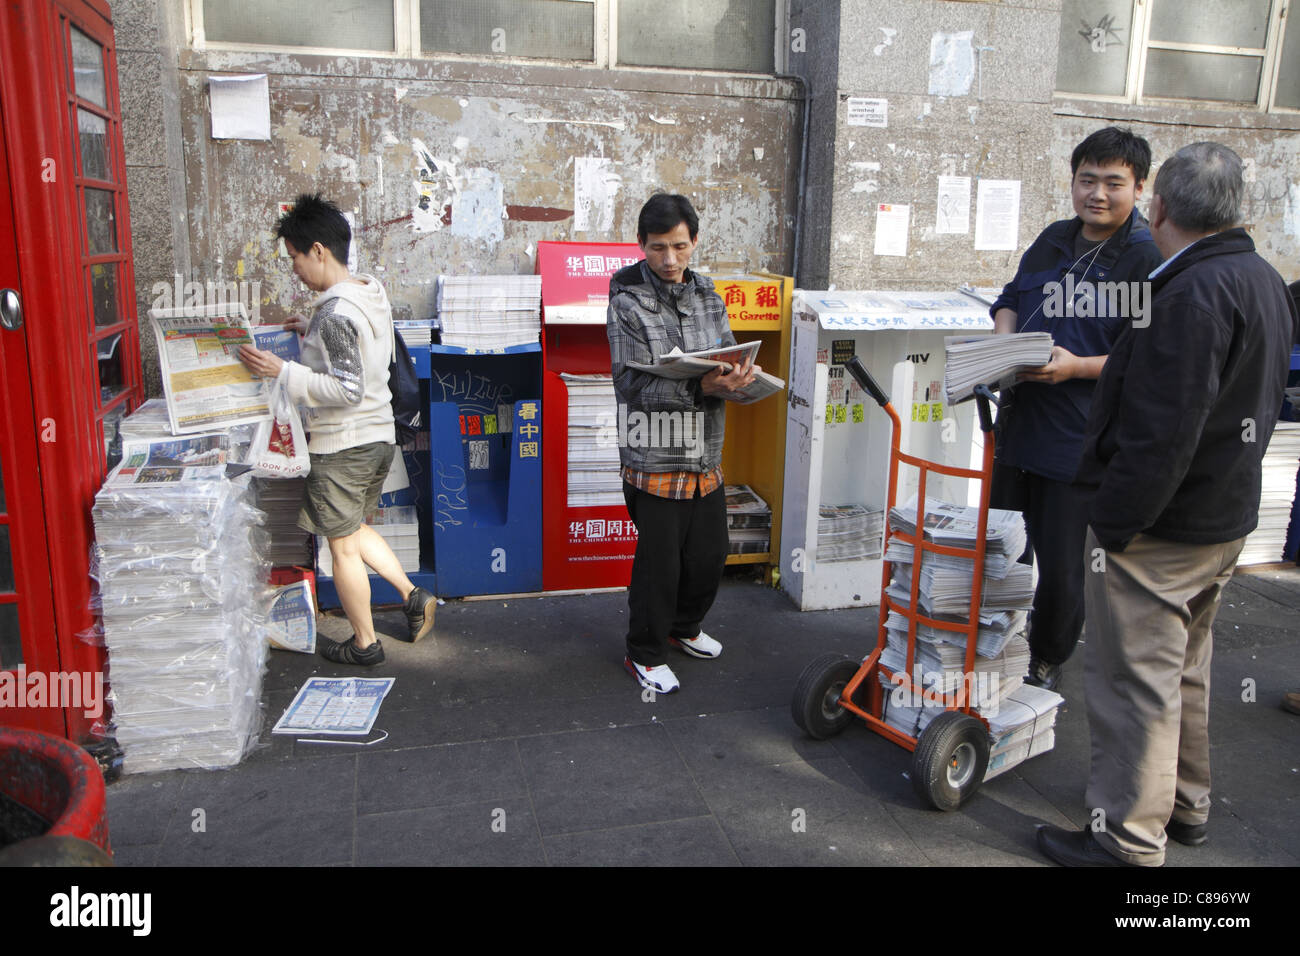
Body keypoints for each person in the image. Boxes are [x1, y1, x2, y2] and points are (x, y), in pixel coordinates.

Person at [1036, 142, 1299, 867]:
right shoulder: (1260, 278)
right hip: (1221, 520)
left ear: (1158, 206)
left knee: (1135, 686)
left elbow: (1163, 431)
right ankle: (1185, 806)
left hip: (1163, 528)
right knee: (1184, 670)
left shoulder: (1187, 294)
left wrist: (1116, 524)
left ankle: (1127, 838)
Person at [989, 127, 1163, 691]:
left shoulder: (1144, 257)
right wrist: (1002, 341)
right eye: (1087, 179)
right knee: (1003, 547)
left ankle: (1046, 659)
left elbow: (1148, 358)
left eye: (1114, 183)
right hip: (1020, 425)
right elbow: (1012, 298)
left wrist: (1076, 367)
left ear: (1139, 187)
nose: (1098, 193)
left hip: (1079, 441)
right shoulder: (1052, 239)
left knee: (1064, 567)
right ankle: (997, 644)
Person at [238, 193, 436, 665]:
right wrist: (311, 327)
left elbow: (346, 388)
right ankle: (413, 596)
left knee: (341, 548)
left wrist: (280, 371)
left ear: (319, 251)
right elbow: (364, 349)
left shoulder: (334, 312)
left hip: (343, 444)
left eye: (295, 258)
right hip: (377, 440)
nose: (295, 270)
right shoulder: (368, 291)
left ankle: (365, 644)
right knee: (352, 529)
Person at [607, 193, 757, 694]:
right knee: (660, 566)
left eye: (678, 246)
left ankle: (684, 628)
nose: (669, 260)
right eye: (656, 249)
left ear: (694, 241)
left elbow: (728, 355)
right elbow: (629, 384)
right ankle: (644, 651)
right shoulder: (626, 303)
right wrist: (699, 386)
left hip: (705, 452)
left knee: (709, 557)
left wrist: (737, 377)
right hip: (653, 454)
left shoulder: (711, 297)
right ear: (641, 246)